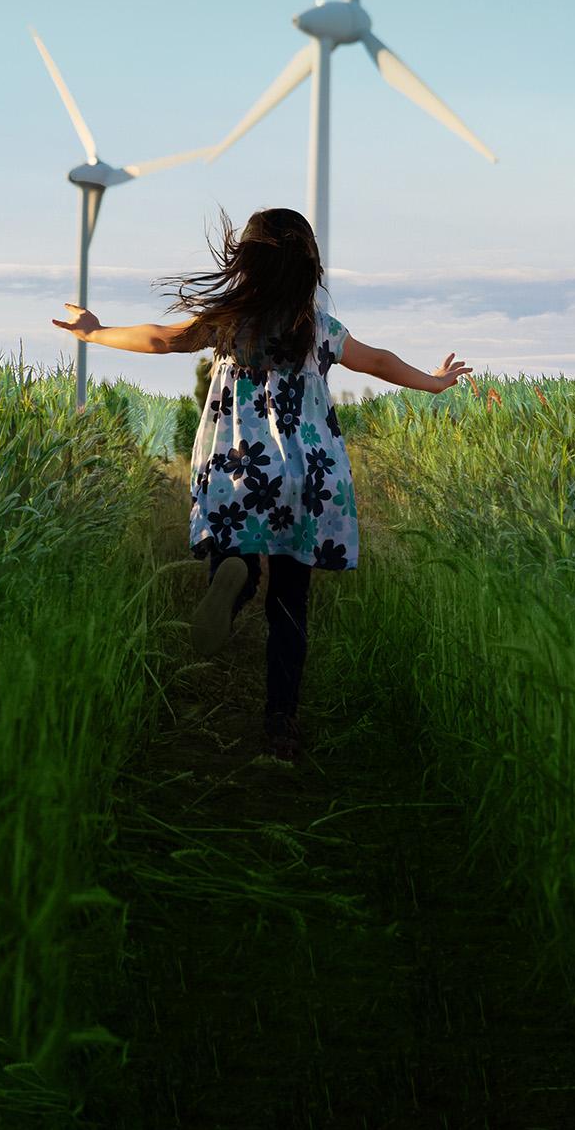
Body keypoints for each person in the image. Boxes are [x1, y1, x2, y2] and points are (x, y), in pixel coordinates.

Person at [51, 207, 471, 761]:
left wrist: (95, 331)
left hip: (236, 469)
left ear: (246, 260)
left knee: (239, 552)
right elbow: (376, 362)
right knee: (291, 601)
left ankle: (234, 583)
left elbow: (161, 339)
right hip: (305, 476)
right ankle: (280, 724)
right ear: (309, 265)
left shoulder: (230, 319)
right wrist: (434, 382)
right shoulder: (317, 325)